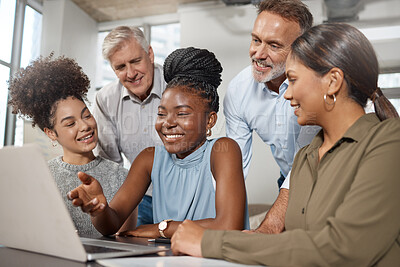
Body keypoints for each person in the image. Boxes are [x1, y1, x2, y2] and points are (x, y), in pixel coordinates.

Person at [171, 23, 400, 266]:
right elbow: (296, 245)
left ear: (333, 81)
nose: (287, 94)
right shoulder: (305, 158)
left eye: (292, 80)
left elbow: (345, 247)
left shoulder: (389, 141)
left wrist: (211, 242)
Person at [68, 47, 250, 238]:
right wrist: (100, 210)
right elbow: (110, 225)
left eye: (182, 113)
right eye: (161, 113)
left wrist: (161, 228)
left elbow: (229, 226)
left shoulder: (223, 150)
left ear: (210, 120)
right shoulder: (149, 158)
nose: (168, 123)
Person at [7, 55, 136, 237]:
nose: (84, 126)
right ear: (51, 133)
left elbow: (124, 243)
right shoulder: (41, 177)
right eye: (70, 124)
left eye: (86, 115)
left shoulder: (122, 177)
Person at [224, 0, 318, 188]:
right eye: (256, 40)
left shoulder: (318, 83)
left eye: (274, 45)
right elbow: (235, 167)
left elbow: (311, 163)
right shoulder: (238, 90)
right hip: (287, 178)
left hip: (329, 176)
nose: (258, 54)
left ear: (301, 48)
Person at [93, 26, 166, 227]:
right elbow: (110, 165)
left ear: (149, 54)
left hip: (185, 194)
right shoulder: (105, 100)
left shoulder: (177, 85)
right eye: (121, 67)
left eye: (135, 61)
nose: (131, 73)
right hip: (141, 198)